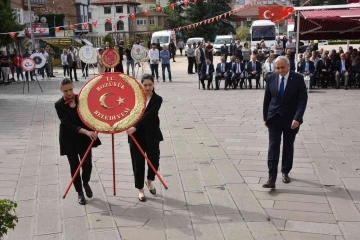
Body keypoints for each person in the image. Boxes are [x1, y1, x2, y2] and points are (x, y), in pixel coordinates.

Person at [263, 56, 308, 189]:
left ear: (288, 66)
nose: (280, 70)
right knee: (273, 147)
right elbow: (267, 99)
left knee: (288, 145)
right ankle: (271, 178)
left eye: (282, 67)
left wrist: (297, 118)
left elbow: (302, 99)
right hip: (274, 118)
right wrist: (265, 117)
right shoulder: (271, 78)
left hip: (291, 119)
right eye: (277, 68)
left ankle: (285, 171)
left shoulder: (298, 78)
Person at [55, 78, 101, 204]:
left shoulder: (81, 99)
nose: (69, 93)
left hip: (84, 138)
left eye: (70, 89)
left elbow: (93, 113)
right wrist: (86, 131)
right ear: (61, 91)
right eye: (66, 91)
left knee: (87, 164)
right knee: (74, 166)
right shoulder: (58, 105)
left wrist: (98, 124)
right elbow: (67, 124)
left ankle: (85, 182)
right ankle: (79, 192)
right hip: (69, 138)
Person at [127, 74, 163, 202]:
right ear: (141, 85)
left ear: (153, 85)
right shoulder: (135, 98)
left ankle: (149, 180)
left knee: (154, 160)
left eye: (150, 85)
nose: (147, 87)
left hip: (152, 134)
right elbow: (126, 112)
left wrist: (135, 126)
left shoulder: (158, 99)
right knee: (138, 162)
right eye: (145, 85)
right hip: (136, 136)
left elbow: (150, 115)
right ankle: (140, 189)